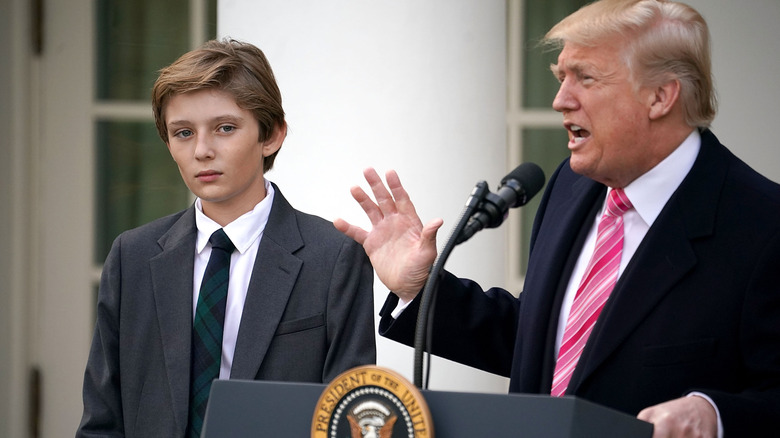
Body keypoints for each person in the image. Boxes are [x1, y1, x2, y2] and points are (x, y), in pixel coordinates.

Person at [334, 0, 780, 436]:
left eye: (585, 78)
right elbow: (544, 341)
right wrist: (422, 289)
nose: (560, 101)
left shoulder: (763, 225)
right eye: (560, 77)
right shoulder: (571, 185)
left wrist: (714, 415)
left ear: (660, 96)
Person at [77, 39, 376, 438]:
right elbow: (102, 421)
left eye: (225, 128)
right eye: (183, 132)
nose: (202, 150)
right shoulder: (131, 256)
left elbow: (348, 422)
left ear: (270, 135)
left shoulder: (333, 257)